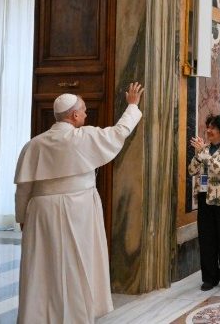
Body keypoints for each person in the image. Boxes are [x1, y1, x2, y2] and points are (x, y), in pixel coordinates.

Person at [14, 83, 144, 323]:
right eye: (83, 110)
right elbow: (120, 131)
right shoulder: (84, 137)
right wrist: (132, 106)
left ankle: (39, 317)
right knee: (77, 263)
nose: (86, 114)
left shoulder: (34, 145)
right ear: (74, 115)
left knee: (42, 267)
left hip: (40, 213)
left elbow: (23, 188)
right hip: (78, 209)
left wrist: (22, 218)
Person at [188, 115, 220, 291]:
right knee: (207, 239)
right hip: (205, 198)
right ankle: (209, 278)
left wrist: (203, 153)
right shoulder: (204, 149)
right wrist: (199, 155)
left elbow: (218, 168)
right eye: (208, 127)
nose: (208, 131)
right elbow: (191, 170)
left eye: (212, 128)